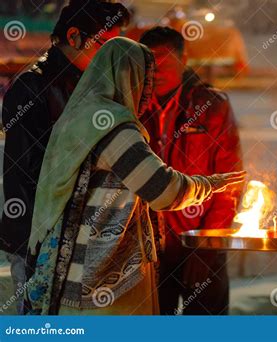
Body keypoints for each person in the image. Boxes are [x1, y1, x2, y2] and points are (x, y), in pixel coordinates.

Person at [24, 36, 246, 315]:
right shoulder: (112, 126)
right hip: (100, 275)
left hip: (71, 265)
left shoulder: (79, 114)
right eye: (147, 77)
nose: (150, 88)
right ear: (128, 75)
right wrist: (211, 185)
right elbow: (162, 190)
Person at [0, 0, 130, 314]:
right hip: (37, 238)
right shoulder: (32, 88)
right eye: (105, 44)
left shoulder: (92, 85)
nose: (112, 57)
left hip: (77, 235)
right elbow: (30, 173)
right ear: (74, 37)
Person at [139, 27, 243, 315]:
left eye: (163, 61)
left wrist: (206, 246)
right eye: (148, 63)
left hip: (200, 237)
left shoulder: (212, 106)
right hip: (148, 247)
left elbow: (231, 181)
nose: (155, 71)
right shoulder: (133, 107)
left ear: (183, 59)